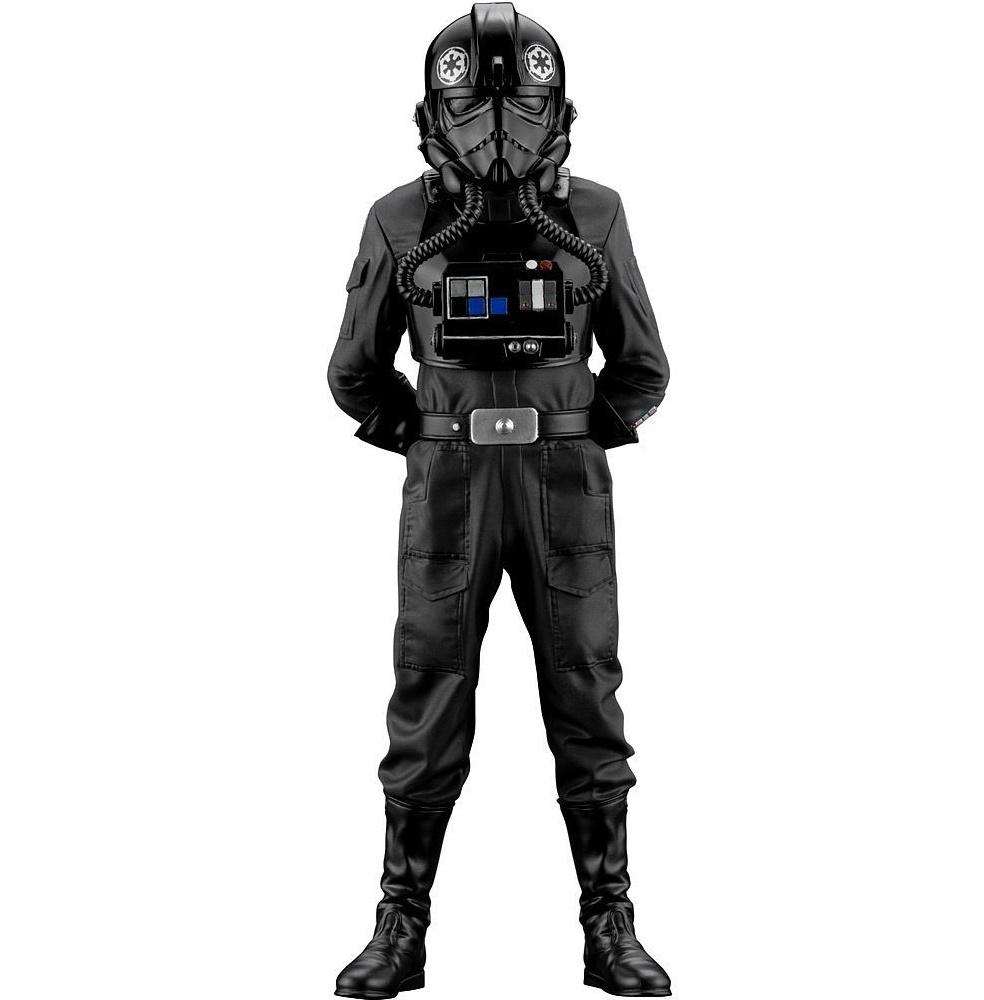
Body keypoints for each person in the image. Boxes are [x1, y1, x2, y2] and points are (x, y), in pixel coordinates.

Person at [328, 5, 671, 996]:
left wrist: (577, 427)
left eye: (515, 103)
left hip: (565, 491)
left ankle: (610, 923)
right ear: (433, 111)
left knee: (587, 693)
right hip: (449, 489)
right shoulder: (397, 219)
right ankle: (400, 923)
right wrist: (426, 433)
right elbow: (352, 371)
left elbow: (644, 365)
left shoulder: (595, 215)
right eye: (475, 106)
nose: (497, 128)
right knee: (427, 695)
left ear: (556, 107)